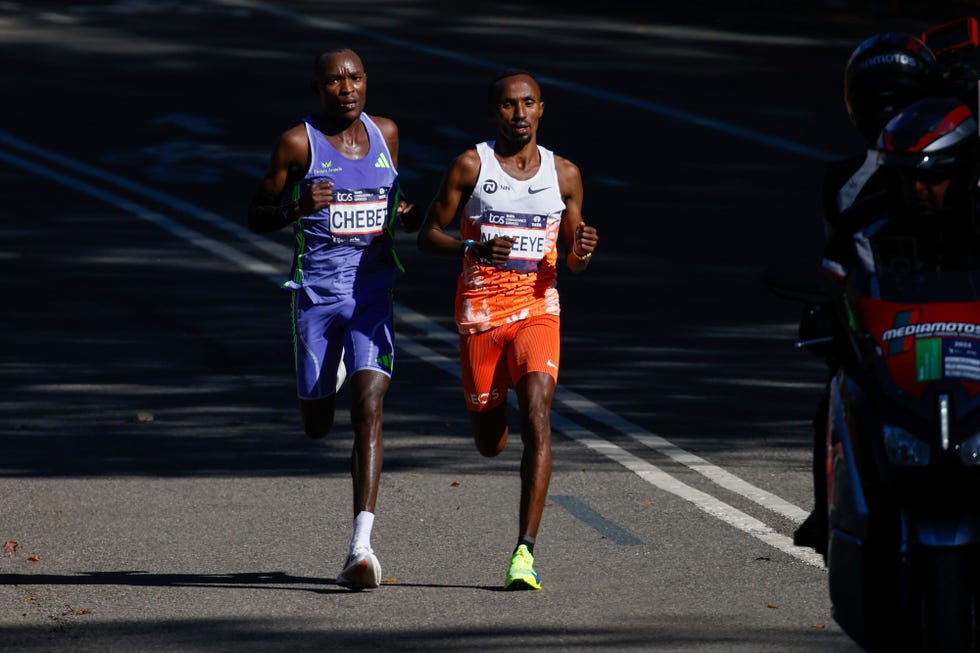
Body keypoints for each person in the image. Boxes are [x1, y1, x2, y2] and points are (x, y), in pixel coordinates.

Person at [416, 69, 598, 590]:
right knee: (490, 442)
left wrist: (581, 252)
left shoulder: (564, 175)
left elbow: (573, 257)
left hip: (539, 309)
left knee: (538, 415)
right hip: (480, 318)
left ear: (542, 109)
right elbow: (428, 236)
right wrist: (470, 248)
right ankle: (492, 420)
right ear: (493, 111)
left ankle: (525, 551)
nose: (519, 115)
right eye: (507, 106)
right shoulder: (472, 166)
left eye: (528, 104)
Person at [247, 47, 421, 591]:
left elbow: (395, 207)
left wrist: (403, 218)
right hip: (317, 299)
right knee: (317, 423)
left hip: (372, 294)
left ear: (367, 82)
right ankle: (326, 376)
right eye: (334, 80)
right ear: (317, 88)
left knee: (370, 407)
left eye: (355, 78)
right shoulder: (298, 143)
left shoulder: (386, 133)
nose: (346, 88)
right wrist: (297, 207)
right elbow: (256, 215)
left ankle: (360, 546)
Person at [793, 32, 943, 554]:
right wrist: (826, 310)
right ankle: (825, 510)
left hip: (956, 320)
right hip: (888, 326)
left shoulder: (962, 168)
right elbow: (835, 262)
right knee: (837, 400)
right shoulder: (848, 180)